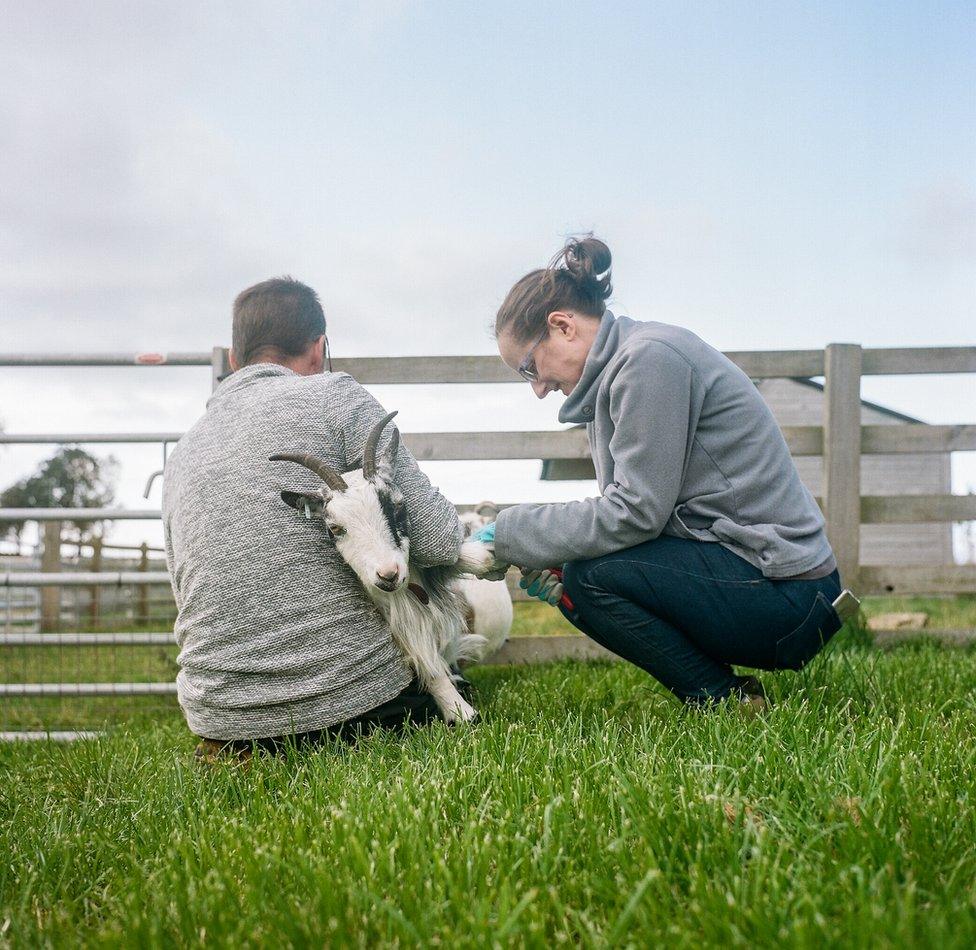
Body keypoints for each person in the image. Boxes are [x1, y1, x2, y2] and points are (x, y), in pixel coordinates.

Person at [472, 237, 844, 709]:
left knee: (590, 577)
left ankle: (720, 699)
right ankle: (728, 697)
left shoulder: (648, 361)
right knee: (581, 574)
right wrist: (556, 556)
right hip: (762, 581)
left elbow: (634, 513)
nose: (539, 390)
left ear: (562, 326)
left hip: (789, 594)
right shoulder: (619, 373)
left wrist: (509, 530)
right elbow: (639, 518)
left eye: (529, 368)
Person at [162, 277, 469, 760]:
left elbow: (183, 589)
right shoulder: (335, 397)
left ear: (235, 361)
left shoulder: (181, 453)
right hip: (358, 705)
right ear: (319, 348)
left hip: (223, 723)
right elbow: (437, 541)